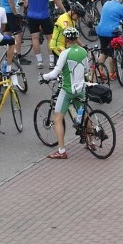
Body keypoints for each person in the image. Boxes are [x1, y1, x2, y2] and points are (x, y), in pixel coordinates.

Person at [39, 27, 89, 159]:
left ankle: (61, 151)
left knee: (57, 118)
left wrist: (43, 77)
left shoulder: (65, 53)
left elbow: (55, 73)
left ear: (66, 39)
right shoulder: (83, 51)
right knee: (84, 114)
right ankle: (92, 142)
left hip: (68, 90)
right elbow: (86, 69)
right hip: (81, 88)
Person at [14, 0, 65, 69]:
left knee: (35, 38)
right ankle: (51, 62)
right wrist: (64, 11)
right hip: (44, 15)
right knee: (49, 38)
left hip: (32, 15)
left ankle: (40, 61)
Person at [94, 0, 123, 80]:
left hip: (101, 30)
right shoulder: (121, 8)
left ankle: (100, 72)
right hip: (111, 32)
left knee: (103, 51)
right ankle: (111, 73)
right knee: (112, 53)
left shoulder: (107, 3)